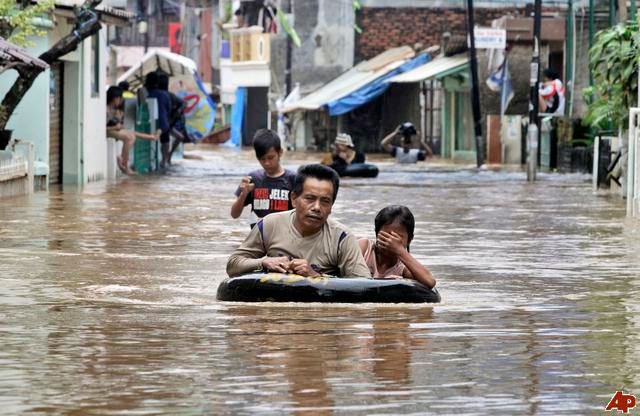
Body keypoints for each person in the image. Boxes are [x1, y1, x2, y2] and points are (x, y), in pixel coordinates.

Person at [227, 164, 371, 278]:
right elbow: (233, 265)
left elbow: (364, 286)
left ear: (331, 207)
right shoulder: (269, 224)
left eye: (325, 201)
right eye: (310, 198)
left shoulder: (342, 237)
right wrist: (264, 262)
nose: (316, 207)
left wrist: (316, 276)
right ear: (294, 199)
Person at [230, 129, 296, 228]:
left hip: (283, 239)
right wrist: (243, 194)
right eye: (262, 159)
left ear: (280, 152)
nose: (267, 163)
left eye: (270, 158)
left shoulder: (293, 179)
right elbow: (234, 215)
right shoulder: (252, 180)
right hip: (257, 238)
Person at [358, 205, 436, 288]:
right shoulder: (365, 248)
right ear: (377, 234)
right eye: (386, 235)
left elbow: (430, 281)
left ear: (409, 239)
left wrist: (399, 250)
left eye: (396, 237)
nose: (390, 241)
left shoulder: (403, 268)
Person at [106, 86, 160, 175]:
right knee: (130, 138)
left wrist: (118, 121)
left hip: (112, 130)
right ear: (115, 98)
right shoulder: (106, 109)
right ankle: (125, 165)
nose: (120, 101)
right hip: (108, 132)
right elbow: (101, 128)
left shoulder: (113, 110)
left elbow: (117, 125)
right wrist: (115, 127)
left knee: (132, 134)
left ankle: (152, 137)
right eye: (119, 99)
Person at [145, 71, 173, 169]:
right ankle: (164, 161)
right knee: (165, 141)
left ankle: (152, 161)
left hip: (148, 124)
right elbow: (169, 108)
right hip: (164, 123)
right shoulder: (165, 94)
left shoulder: (146, 93)